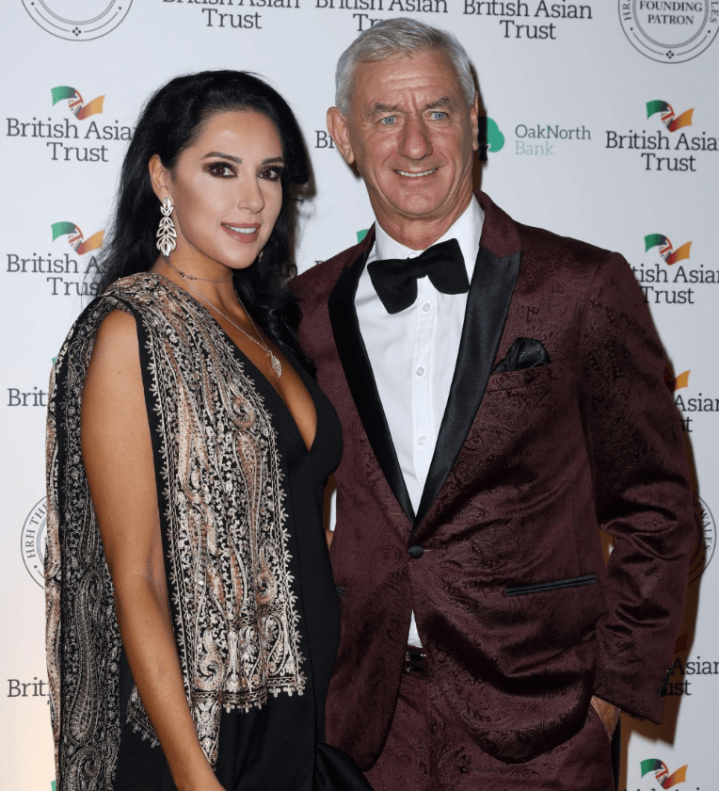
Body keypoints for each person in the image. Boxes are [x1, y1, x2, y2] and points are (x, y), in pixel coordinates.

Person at [290, 19, 696, 791]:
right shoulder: (304, 310)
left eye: (438, 111)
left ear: (474, 123)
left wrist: (608, 697)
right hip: (365, 728)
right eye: (385, 116)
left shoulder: (580, 287)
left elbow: (657, 505)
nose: (414, 143)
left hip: (541, 728)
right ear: (343, 135)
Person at [45, 70, 371, 791]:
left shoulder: (270, 323)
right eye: (222, 169)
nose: (252, 199)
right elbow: (137, 578)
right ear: (163, 178)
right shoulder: (132, 330)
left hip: (293, 721)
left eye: (270, 173)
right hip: (199, 736)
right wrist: (196, 776)